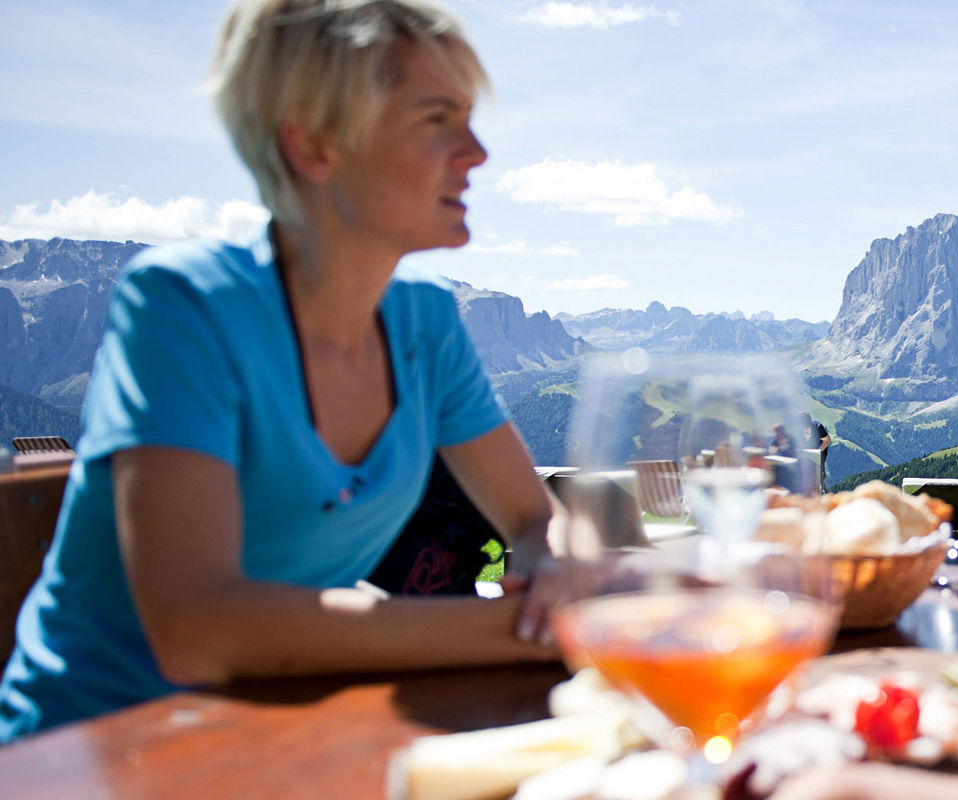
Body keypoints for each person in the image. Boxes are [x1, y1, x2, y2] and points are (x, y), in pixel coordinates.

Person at [1, 0, 560, 742]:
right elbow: (200, 629)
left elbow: (532, 515)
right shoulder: (186, 304)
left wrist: (559, 572)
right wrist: (527, 632)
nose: (477, 152)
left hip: (276, 725)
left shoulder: (425, 323)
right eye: (437, 118)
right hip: (95, 749)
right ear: (314, 143)